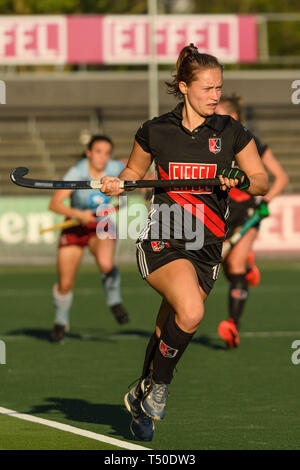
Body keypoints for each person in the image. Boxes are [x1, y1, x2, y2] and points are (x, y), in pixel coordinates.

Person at [100, 44, 269, 441]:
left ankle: (142, 392)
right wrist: (116, 184)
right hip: (163, 236)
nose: (215, 95)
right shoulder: (155, 130)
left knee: (169, 326)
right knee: (191, 312)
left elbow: (262, 180)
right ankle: (159, 389)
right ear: (184, 87)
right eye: (208, 88)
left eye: (219, 88)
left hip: (206, 247)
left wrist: (241, 179)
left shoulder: (231, 131)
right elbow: (132, 173)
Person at [215, 95, 289, 348]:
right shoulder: (212, 142)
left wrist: (264, 200)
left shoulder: (251, 142)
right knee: (227, 265)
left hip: (248, 209)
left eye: (223, 114)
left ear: (235, 118)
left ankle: (232, 324)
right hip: (221, 210)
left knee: (234, 263)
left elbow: (280, 177)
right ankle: (248, 270)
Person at [49, 134, 130, 344]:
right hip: (75, 225)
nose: (102, 157)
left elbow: (127, 189)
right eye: (98, 152)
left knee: (106, 263)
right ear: (88, 153)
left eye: (106, 153)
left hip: (100, 224)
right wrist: (78, 214)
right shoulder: (77, 172)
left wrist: (122, 198)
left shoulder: (114, 168)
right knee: (65, 283)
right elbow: (55, 204)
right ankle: (60, 322)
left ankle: (115, 301)